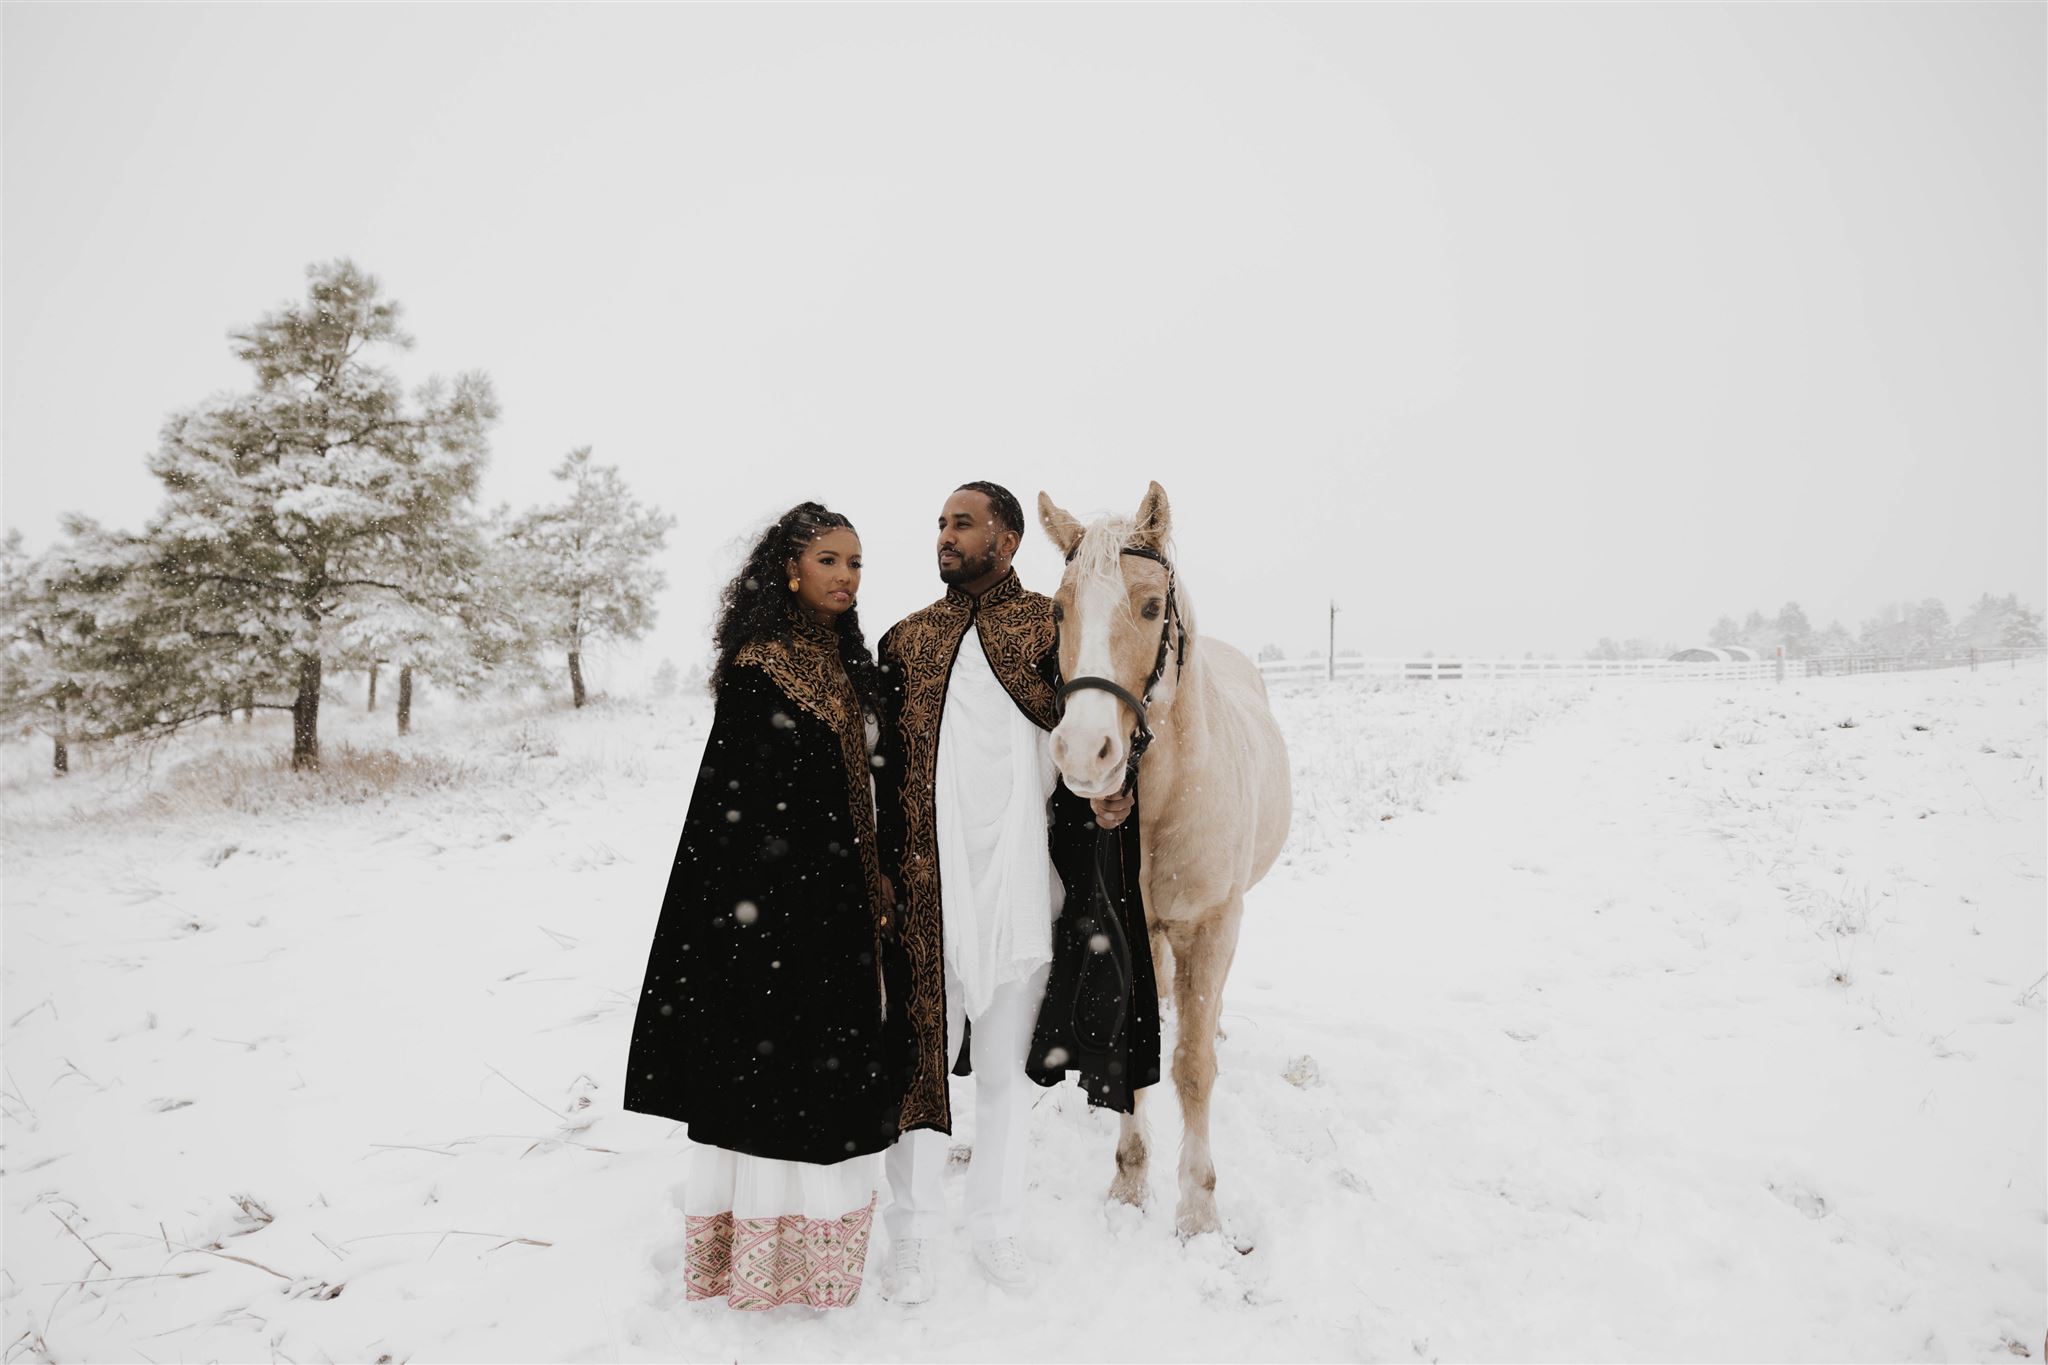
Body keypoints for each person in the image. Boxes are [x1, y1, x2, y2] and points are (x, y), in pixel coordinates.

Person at [623, 502, 912, 1312]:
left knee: (831, 1086)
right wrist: (792, 901)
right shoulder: (762, 667)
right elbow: (739, 812)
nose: (847, 577)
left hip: (845, 917)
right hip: (780, 918)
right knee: (776, 1084)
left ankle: (824, 1263)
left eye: (856, 563)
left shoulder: (852, 666)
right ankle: (758, 1263)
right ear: (789, 569)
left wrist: (879, 875)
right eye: (829, 560)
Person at [870, 481, 1152, 1303]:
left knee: (1005, 1078)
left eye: (964, 522)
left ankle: (995, 1226)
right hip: (928, 893)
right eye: (940, 524)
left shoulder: (1049, 630)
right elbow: (879, 770)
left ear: (1010, 537)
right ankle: (912, 1235)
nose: (946, 535)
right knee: (920, 1076)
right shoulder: (907, 641)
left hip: (1025, 888)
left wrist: (1108, 798)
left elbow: (1094, 728)